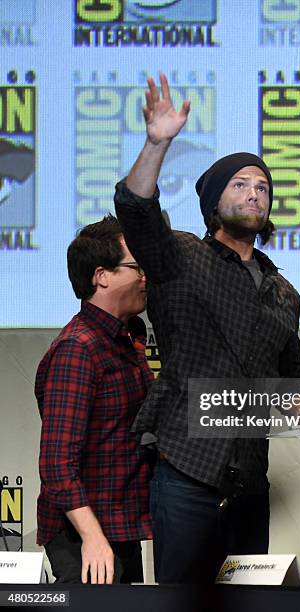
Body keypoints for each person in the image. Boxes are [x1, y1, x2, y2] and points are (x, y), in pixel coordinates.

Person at [114, 73, 300, 584]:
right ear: (214, 202)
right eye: (240, 185)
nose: (254, 194)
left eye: (263, 187)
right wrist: (156, 143)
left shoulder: (282, 290)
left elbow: (293, 381)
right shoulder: (181, 256)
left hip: (250, 481)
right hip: (188, 472)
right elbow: (137, 210)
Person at [35, 215, 154, 584]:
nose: (146, 277)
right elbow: (57, 464)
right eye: (137, 267)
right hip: (84, 535)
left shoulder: (127, 338)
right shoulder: (79, 348)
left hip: (120, 524)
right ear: (101, 276)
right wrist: (92, 537)